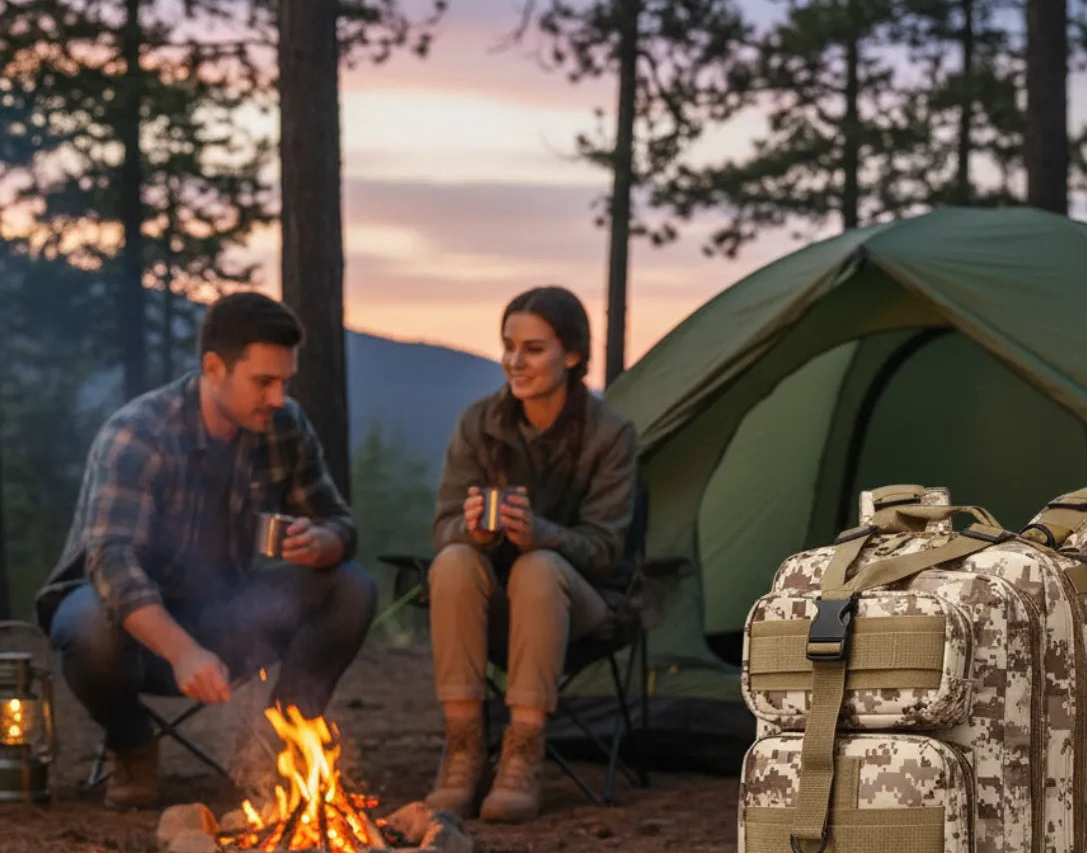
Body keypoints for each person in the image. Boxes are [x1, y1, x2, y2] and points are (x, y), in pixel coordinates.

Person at [37, 292, 377, 808]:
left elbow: (339, 523)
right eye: (264, 382)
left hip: (227, 614)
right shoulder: (140, 431)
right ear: (214, 368)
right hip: (136, 633)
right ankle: (131, 747)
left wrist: (324, 543)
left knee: (351, 587)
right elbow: (111, 562)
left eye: (285, 381)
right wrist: (182, 650)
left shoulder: (284, 427)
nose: (279, 397)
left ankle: (278, 745)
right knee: (88, 623)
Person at [426, 286, 637, 823]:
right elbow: (443, 526)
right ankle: (465, 750)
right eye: (508, 346)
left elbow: (608, 551)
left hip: (583, 605)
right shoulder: (481, 424)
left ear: (571, 355)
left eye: (534, 348)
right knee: (452, 560)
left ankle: (522, 752)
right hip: (494, 604)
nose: (515, 362)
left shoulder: (609, 434)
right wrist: (475, 530)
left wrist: (539, 534)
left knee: (539, 568)